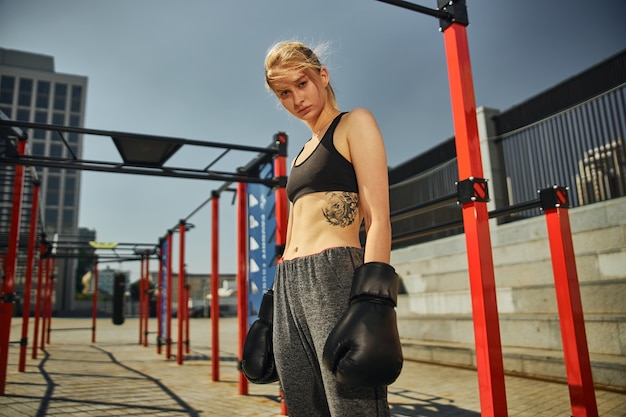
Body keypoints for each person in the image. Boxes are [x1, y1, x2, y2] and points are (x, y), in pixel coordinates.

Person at [246, 40, 403, 417]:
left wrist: (373, 303)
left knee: (352, 406)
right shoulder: (301, 153)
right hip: (288, 282)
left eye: (302, 83)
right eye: (284, 93)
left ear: (323, 75)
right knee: (303, 406)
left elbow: (378, 218)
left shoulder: (353, 123)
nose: (296, 99)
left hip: (334, 273)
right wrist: (275, 299)